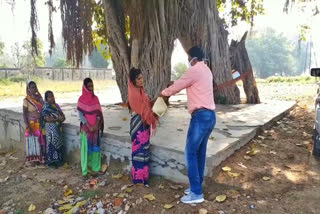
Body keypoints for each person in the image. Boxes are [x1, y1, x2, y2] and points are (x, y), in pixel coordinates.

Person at [161, 46, 216, 204]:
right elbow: (185, 82)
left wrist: (163, 93)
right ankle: (196, 186)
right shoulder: (206, 70)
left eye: (189, 58)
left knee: (190, 152)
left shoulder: (195, 70)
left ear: (193, 58)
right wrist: (175, 83)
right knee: (199, 153)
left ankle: (196, 193)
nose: (188, 61)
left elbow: (179, 85)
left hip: (200, 117)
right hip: (210, 116)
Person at [128, 68, 158, 187]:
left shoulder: (141, 91)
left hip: (144, 126)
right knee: (138, 151)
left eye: (142, 77)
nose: (142, 80)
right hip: (138, 125)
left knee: (145, 150)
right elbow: (143, 110)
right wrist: (152, 116)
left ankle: (145, 178)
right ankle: (138, 180)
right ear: (133, 80)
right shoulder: (134, 94)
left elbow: (147, 107)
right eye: (138, 78)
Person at [77, 78, 104, 179]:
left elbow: (98, 113)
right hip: (86, 129)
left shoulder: (95, 98)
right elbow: (81, 115)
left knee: (95, 149)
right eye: (89, 86)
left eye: (92, 86)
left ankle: (95, 169)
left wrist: (96, 124)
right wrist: (89, 126)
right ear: (85, 87)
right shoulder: (81, 100)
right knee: (85, 150)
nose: (91, 88)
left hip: (95, 129)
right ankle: (85, 171)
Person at [23, 81, 46, 165]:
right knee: (32, 141)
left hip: (40, 123)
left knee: (41, 141)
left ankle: (41, 159)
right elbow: (24, 114)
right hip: (31, 124)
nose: (34, 89)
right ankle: (32, 160)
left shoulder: (39, 98)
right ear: (28, 89)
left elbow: (44, 109)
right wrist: (28, 126)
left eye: (35, 87)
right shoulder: (26, 100)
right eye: (32, 87)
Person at [41, 91, 65, 167]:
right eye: (49, 97)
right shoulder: (46, 108)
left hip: (58, 129)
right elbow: (47, 119)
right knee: (52, 144)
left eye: (52, 96)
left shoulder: (56, 106)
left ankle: (59, 161)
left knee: (59, 144)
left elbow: (63, 116)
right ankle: (52, 162)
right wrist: (58, 119)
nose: (52, 98)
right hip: (51, 129)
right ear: (46, 98)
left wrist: (61, 118)